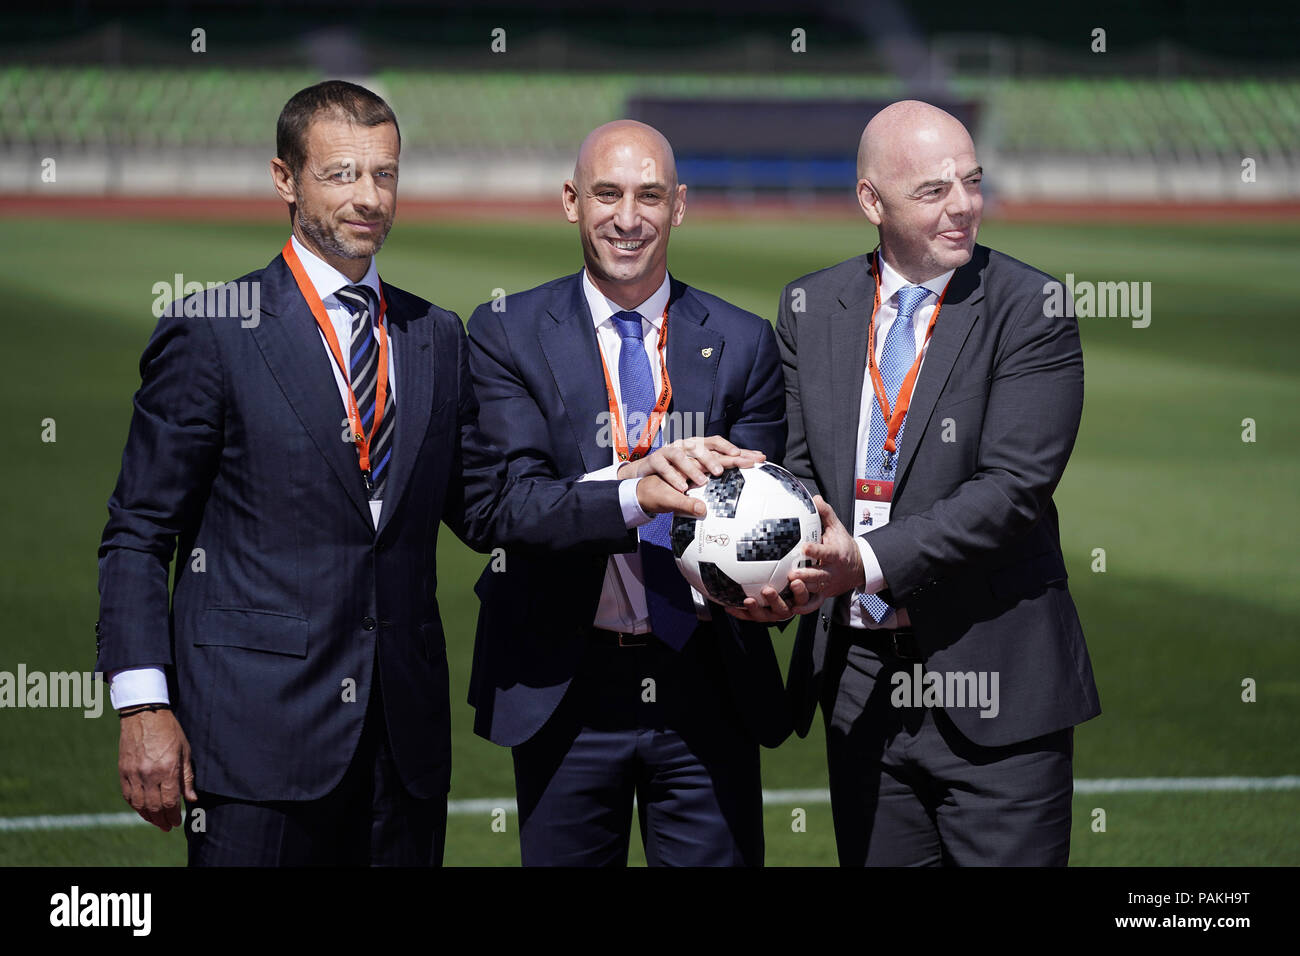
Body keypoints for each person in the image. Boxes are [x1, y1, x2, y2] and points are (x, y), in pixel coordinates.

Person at [94, 81, 668, 866]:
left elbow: (491, 508)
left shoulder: (434, 334)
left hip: (403, 747)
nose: (368, 198)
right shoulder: (212, 331)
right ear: (283, 179)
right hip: (255, 744)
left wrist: (635, 489)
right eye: (340, 175)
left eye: (385, 175)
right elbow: (136, 534)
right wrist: (143, 706)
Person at [746, 100, 1101, 865]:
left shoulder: (1031, 306)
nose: (965, 206)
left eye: (972, 182)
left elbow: (1011, 490)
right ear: (872, 202)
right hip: (860, 685)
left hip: (996, 683)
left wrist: (863, 564)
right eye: (934, 190)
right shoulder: (811, 306)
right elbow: (801, 472)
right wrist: (785, 566)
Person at [464, 120, 791, 866]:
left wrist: (777, 582)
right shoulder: (506, 332)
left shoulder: (743, 342)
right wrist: (636, 488)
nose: (628, 217)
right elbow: (505, 506)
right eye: (607, 194)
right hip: (563, 681)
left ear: (679, 206)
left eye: (649, 196)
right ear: (571, 202)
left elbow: (768, 511)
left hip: (706, 680)